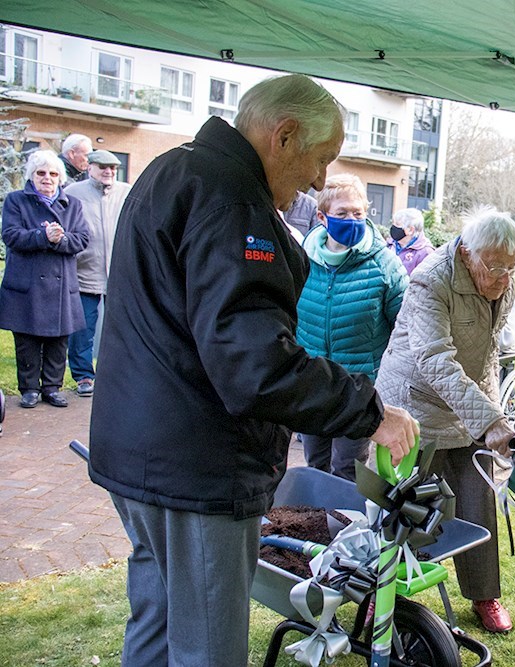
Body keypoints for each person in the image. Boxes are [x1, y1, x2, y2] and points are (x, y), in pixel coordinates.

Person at [87, 74, 418, 667]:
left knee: (158, 627)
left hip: (137, 453)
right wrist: (369, 411)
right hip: (195, 468)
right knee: (206, 648)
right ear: (284, 135)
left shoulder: (174, 169)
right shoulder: (232, 201)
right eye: (321, 159)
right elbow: (256, 365)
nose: (320, 180)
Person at [375, 206, 515, 634]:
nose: (503, 279)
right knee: (401, 508)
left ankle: (484, 595)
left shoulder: (502, 283)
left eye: (511, 270)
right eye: (494, 269)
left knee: (477, 503)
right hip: (414, 408)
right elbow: (435, 360)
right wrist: (486, 418)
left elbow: (490, 353)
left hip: (469, 409)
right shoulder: (430, 281)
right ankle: (377, 593)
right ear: (465, 252)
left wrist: (490, 413)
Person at [296, 174, 409, 479]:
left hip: (358, 391)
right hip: (313, 385)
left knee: (347, 470)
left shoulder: (385, 265)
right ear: (322, 217)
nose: (352, 219)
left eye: (358, 213)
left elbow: (407, 328)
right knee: (315, 467)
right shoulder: (302, 260)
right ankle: (314, 525)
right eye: (342, 213)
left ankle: (345, 526)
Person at [0, 150, 89, 409]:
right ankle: (29, 389)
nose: (47, 178)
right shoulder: (16, 201)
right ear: (32, 176)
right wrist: (43, 236)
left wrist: (60, 239)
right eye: (41, 173)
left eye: (52, 174)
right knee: (27, 340)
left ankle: (52, 388)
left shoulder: (73, 205)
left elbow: (82, 239)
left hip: (61, 286)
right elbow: (11, 236)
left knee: (58, 340)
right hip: (27, 284)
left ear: (60, 178)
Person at [63, 150, 132, 397]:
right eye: (103, 166)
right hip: (84, 273)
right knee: (82, 330)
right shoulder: (73, 193)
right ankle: (83, 377)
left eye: (113, 168)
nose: (109, 172)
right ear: (90, 167)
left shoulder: (127, 192)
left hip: (119, 274)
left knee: (120, 329)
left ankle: (113, 374)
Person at [389, 206, 435, 274]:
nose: (393, 227)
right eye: (393, 223)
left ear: (411, 230)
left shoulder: (425, 253)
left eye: (397, 224)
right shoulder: (389, 245)